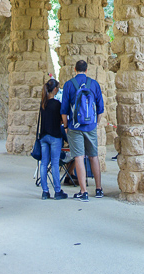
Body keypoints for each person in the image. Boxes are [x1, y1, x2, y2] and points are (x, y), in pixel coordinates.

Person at [61, 59, 104, 202]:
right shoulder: (94, 84)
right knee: (94, 156)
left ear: (75, 69)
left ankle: (84, 192)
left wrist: (66, 127)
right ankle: (98, 189)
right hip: (90, 126)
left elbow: (64, 110)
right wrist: (96, 123)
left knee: (78, 157)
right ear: (86, 70)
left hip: (75, 126)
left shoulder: (69, 85)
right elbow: (100, 107)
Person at [39, 78, 68, 200]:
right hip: (55, 136)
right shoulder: (57, 104)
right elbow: (63, 119)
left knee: (44, 163)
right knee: (55, 163)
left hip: (44, 136)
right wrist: (65, 126)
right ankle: (57, 191)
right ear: (55, 89)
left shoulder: (43, 104)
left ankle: (45, 191)